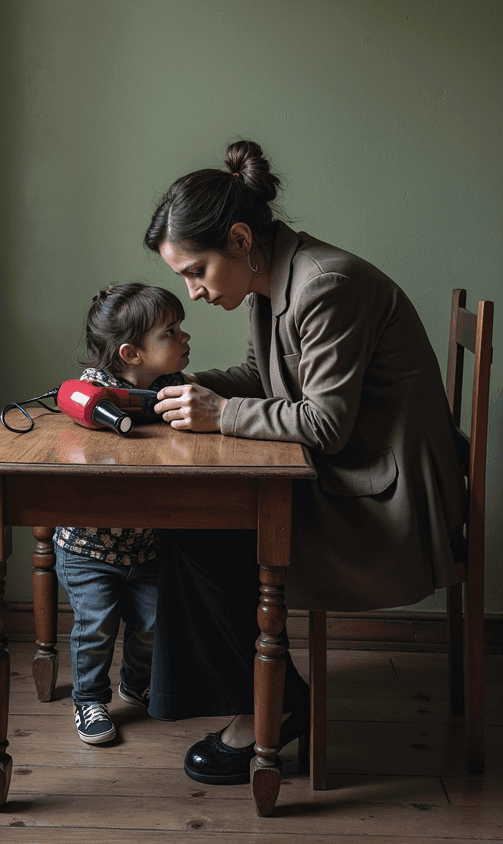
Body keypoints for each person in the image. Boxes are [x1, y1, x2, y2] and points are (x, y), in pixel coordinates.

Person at [143, 139, 467, 785]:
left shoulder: (325, 285)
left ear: (239, 239)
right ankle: (261, 693)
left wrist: (218, 413)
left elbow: (325, 424)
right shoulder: (270, 279)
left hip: (388, 502)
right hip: (358, 473)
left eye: (197, 271)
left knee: (197, 524)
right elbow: (260, 377)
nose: (193, 293)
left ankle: (269, 704)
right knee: (186, 517)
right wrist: (170, 391)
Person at [54, 282, 190, 745]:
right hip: (89, 547)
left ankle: (136, 681)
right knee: (96, 629)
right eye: (171, 332)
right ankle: (89, 701)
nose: (184, 338)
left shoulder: (174, 388)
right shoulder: (92, 395)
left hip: (145, 544)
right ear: (132, 353)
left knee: (152, 623)